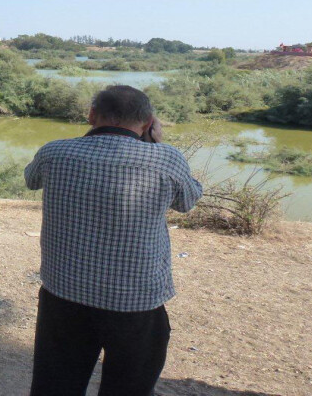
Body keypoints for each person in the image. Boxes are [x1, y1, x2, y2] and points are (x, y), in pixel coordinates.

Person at [24, 85, 203, 396]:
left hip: (64, 294)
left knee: (55, 386)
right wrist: (157, 143)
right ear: (149, 122)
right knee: (128, 388)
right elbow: (188, 200)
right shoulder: (165, 158)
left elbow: (31, 180)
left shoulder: (54, 151)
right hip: (135, 302)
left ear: (91, 115)